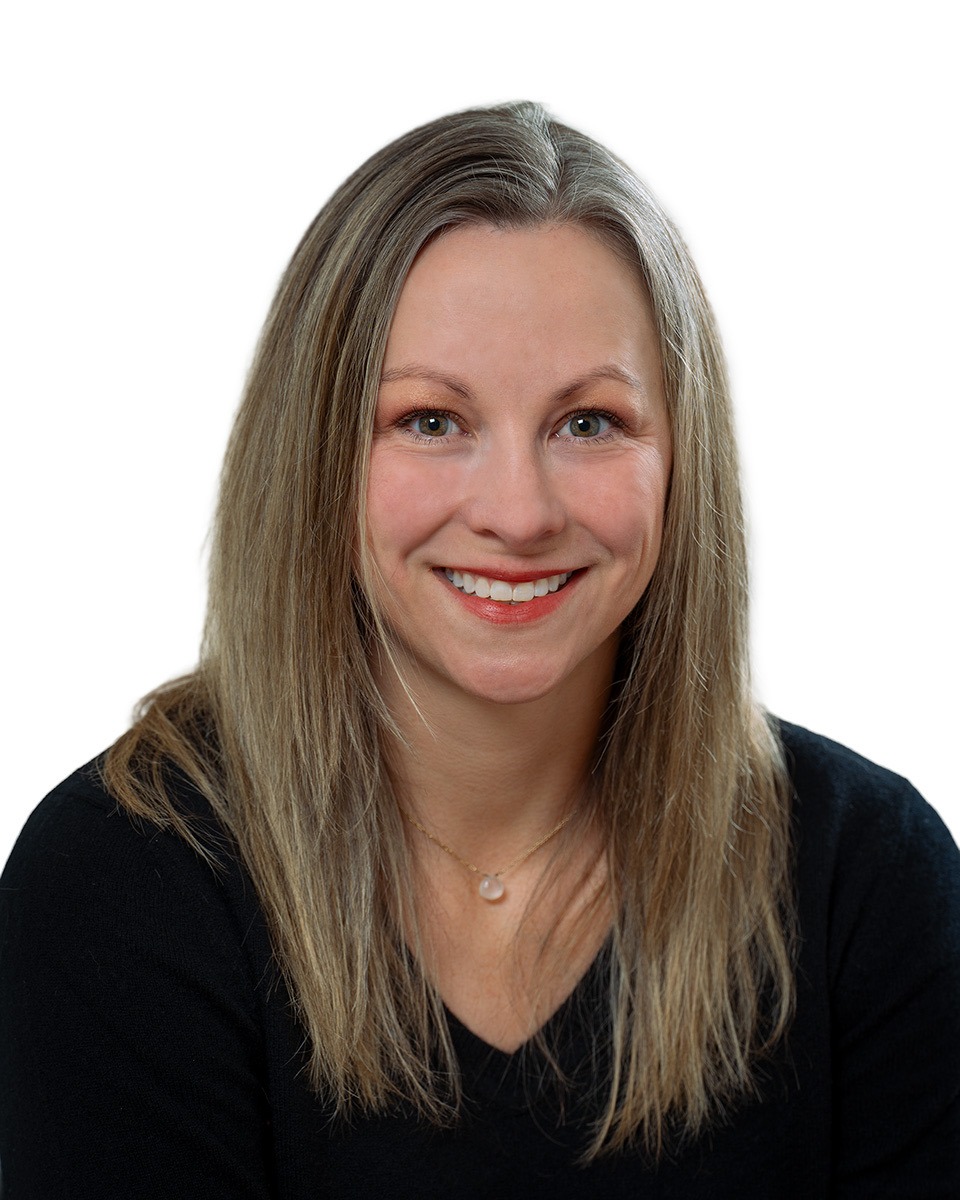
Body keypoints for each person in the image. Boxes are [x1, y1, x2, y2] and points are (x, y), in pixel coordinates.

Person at [1, 102, 958, 1198]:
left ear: (681, 459)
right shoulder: (123, 880)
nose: (517, 511)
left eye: (589, 422)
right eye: (430, 421)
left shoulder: (870, 882)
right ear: (315, 451)